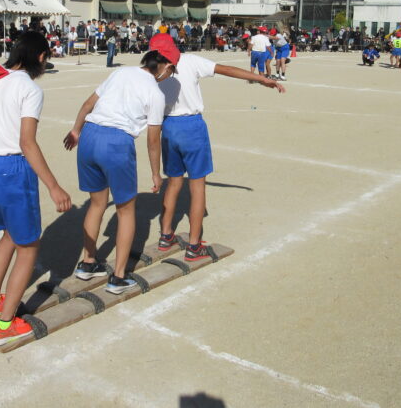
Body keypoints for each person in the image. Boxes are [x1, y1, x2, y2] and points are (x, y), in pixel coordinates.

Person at [0, 33, 72, 345]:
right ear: (40, 57)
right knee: (28, 246)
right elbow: (26, 142)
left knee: (9, 236)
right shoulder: (29, 88)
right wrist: (54, 186)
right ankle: (5, 324)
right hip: (10, 172)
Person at [63, 37, 179, 294]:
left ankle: (88, 262)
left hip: (90, 136)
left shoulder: (120, 72)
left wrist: (75, 131)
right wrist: (155, 173)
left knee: (96, 203)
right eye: (171, 70)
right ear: (166, 66)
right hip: (116, 143)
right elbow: (152, 140)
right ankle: (118, 276)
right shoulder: (155, 94)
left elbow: (87, 104)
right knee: (127, 210)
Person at [154, 34, 283, 261]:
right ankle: (194, 246)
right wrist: (261, 79)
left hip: (168, 126)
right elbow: (225, 69)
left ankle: (166, 236)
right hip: (191, 127)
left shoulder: (153, 69)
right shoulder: (189, 61)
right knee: (197, 186)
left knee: (173, 182)